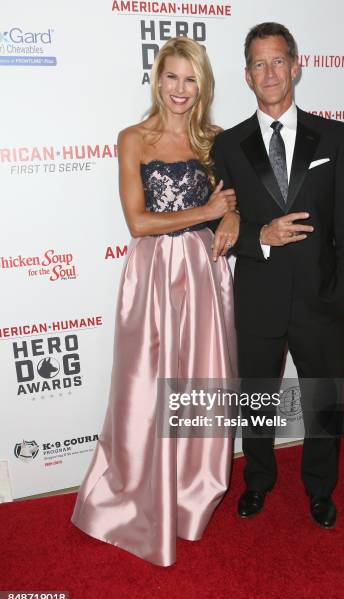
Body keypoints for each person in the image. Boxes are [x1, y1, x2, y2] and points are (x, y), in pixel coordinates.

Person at [71, 37, 239, 566]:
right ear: (157, 79)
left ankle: (191, 495)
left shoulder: (217, 141)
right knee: (145, 388)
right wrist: (207, 210)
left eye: (191, 79)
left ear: (202, 85)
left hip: (203, 275)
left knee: (202, 383)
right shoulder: (133, 139)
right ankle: (135, 495)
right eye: (172, 77)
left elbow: (232, 207)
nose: (181, 90)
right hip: (151, 277)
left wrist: (230, 216)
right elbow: (139, 222)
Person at [211, 22, 344, 528]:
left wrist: (342, 295)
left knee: (323, 402)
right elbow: (220, 218)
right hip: (258, 297)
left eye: (278, 61)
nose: (270, 72)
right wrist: (261, 236)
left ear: (296, 66)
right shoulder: (228, 146)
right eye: (259, 64)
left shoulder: (335, 136)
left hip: (321, 300)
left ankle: (320, 488)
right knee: (255, 400)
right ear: (247, 77)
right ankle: (257, 481)